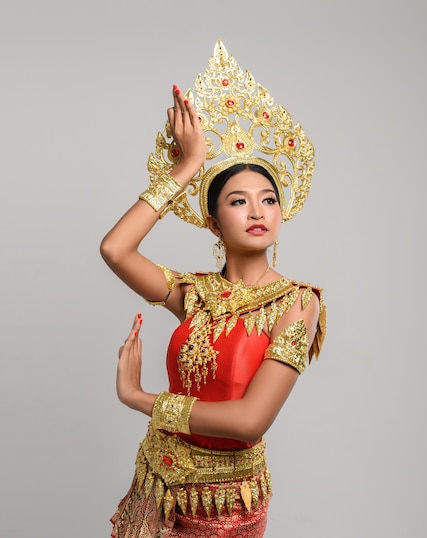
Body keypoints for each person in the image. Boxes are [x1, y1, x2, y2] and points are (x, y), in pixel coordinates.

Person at [100, 41, 326, 537]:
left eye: (268, 199)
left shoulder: (297, 303)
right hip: (154, 484)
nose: (258, 211)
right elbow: (116, 249)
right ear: (213, 221)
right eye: (239, 201)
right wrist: (187, 165)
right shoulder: (194, 295)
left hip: (224, 507)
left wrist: (140, 398)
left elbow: (249, 421)